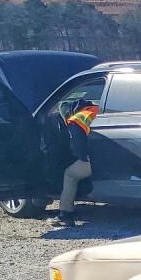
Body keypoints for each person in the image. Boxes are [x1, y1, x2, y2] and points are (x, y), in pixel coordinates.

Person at [48, 97, 98, 229]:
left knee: (70, 174)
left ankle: (65, 216)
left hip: (97, 161)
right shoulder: (95, 110)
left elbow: (79, 143)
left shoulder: (75, 119)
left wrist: (83, 158)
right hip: (116, 157)